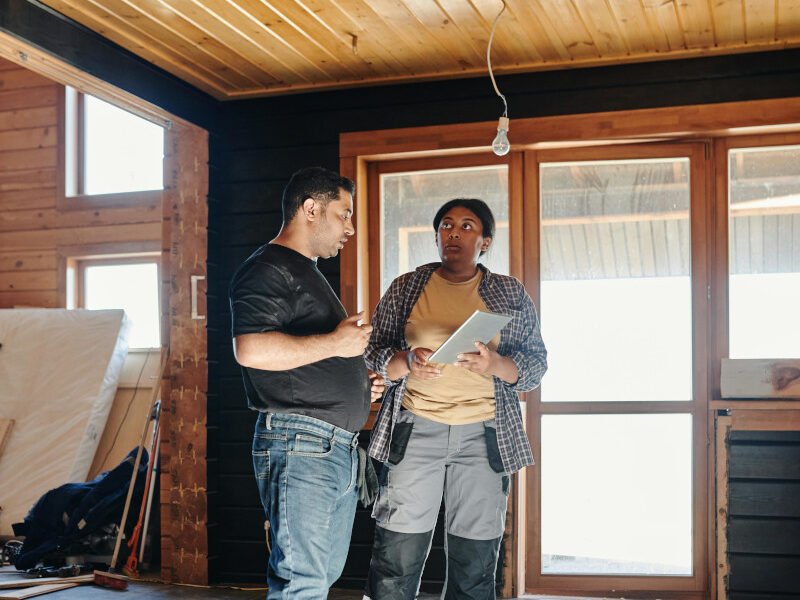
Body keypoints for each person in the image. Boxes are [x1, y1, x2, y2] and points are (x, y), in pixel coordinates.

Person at [363, 198, 547, 600]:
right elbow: (373, 352)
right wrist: (407, 361)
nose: (454, 233)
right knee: (395, 559)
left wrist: (495, 364)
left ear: (485, 241)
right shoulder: (406, 287)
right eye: (446, 225)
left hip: (485, 436)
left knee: (475, 566)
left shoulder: (508, 292)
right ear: (436, 236)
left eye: (467, 226)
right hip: (415, 429)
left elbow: (535, 365)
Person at [229, 166, 384, 599]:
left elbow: (304, 358)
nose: (350, 228)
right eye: (344, 214)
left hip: (331, 448)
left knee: (319, 577)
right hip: (302, 445)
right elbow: (251, 349)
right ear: (311, 209)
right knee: (302, 582)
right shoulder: (268, 268)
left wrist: (357, 383)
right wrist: (337, 343)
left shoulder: (305, 272)